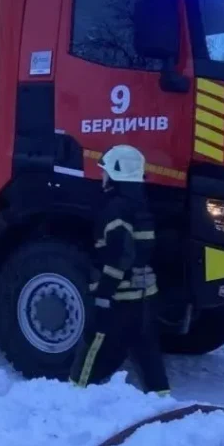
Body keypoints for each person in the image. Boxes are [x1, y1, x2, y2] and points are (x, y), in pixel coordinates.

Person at [69, 144, 170, 395]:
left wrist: (104, 294)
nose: (101, 176)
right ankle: (162, 399)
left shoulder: (114, 209)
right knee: (147, 354)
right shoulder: (141, 206)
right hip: (144, 297)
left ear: (116, 174)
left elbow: (119, 256)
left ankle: (73, 397)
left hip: (119, 299)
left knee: (93, 345)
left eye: (105, 171)